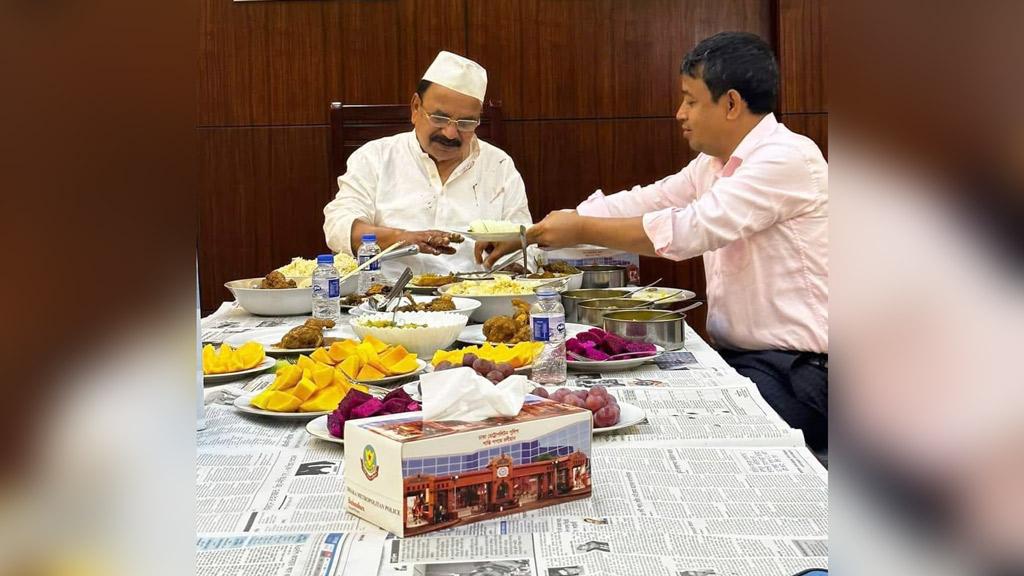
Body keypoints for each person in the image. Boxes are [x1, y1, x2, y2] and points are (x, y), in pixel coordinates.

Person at [527, 32, 828, 450]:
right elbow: (648, 200)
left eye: (690, 99)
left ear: (731, 103)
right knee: (646, 411)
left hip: (803, 372)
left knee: (685, 433)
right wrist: (540, 232)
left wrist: (578, 230)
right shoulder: (711, 164)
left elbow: (689, 229)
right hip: (746, 359)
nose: (679, 113)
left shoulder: (787, 157)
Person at [323, 51, 530, 276]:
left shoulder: (499, 165)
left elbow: (525, 241)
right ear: (415, 108)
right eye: (439, 119)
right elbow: (339, 227)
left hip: (478, 297)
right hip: (387, 297)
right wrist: (403, 239)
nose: (451, 134)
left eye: (466, 123)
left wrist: (511, 256)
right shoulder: (375, 157)